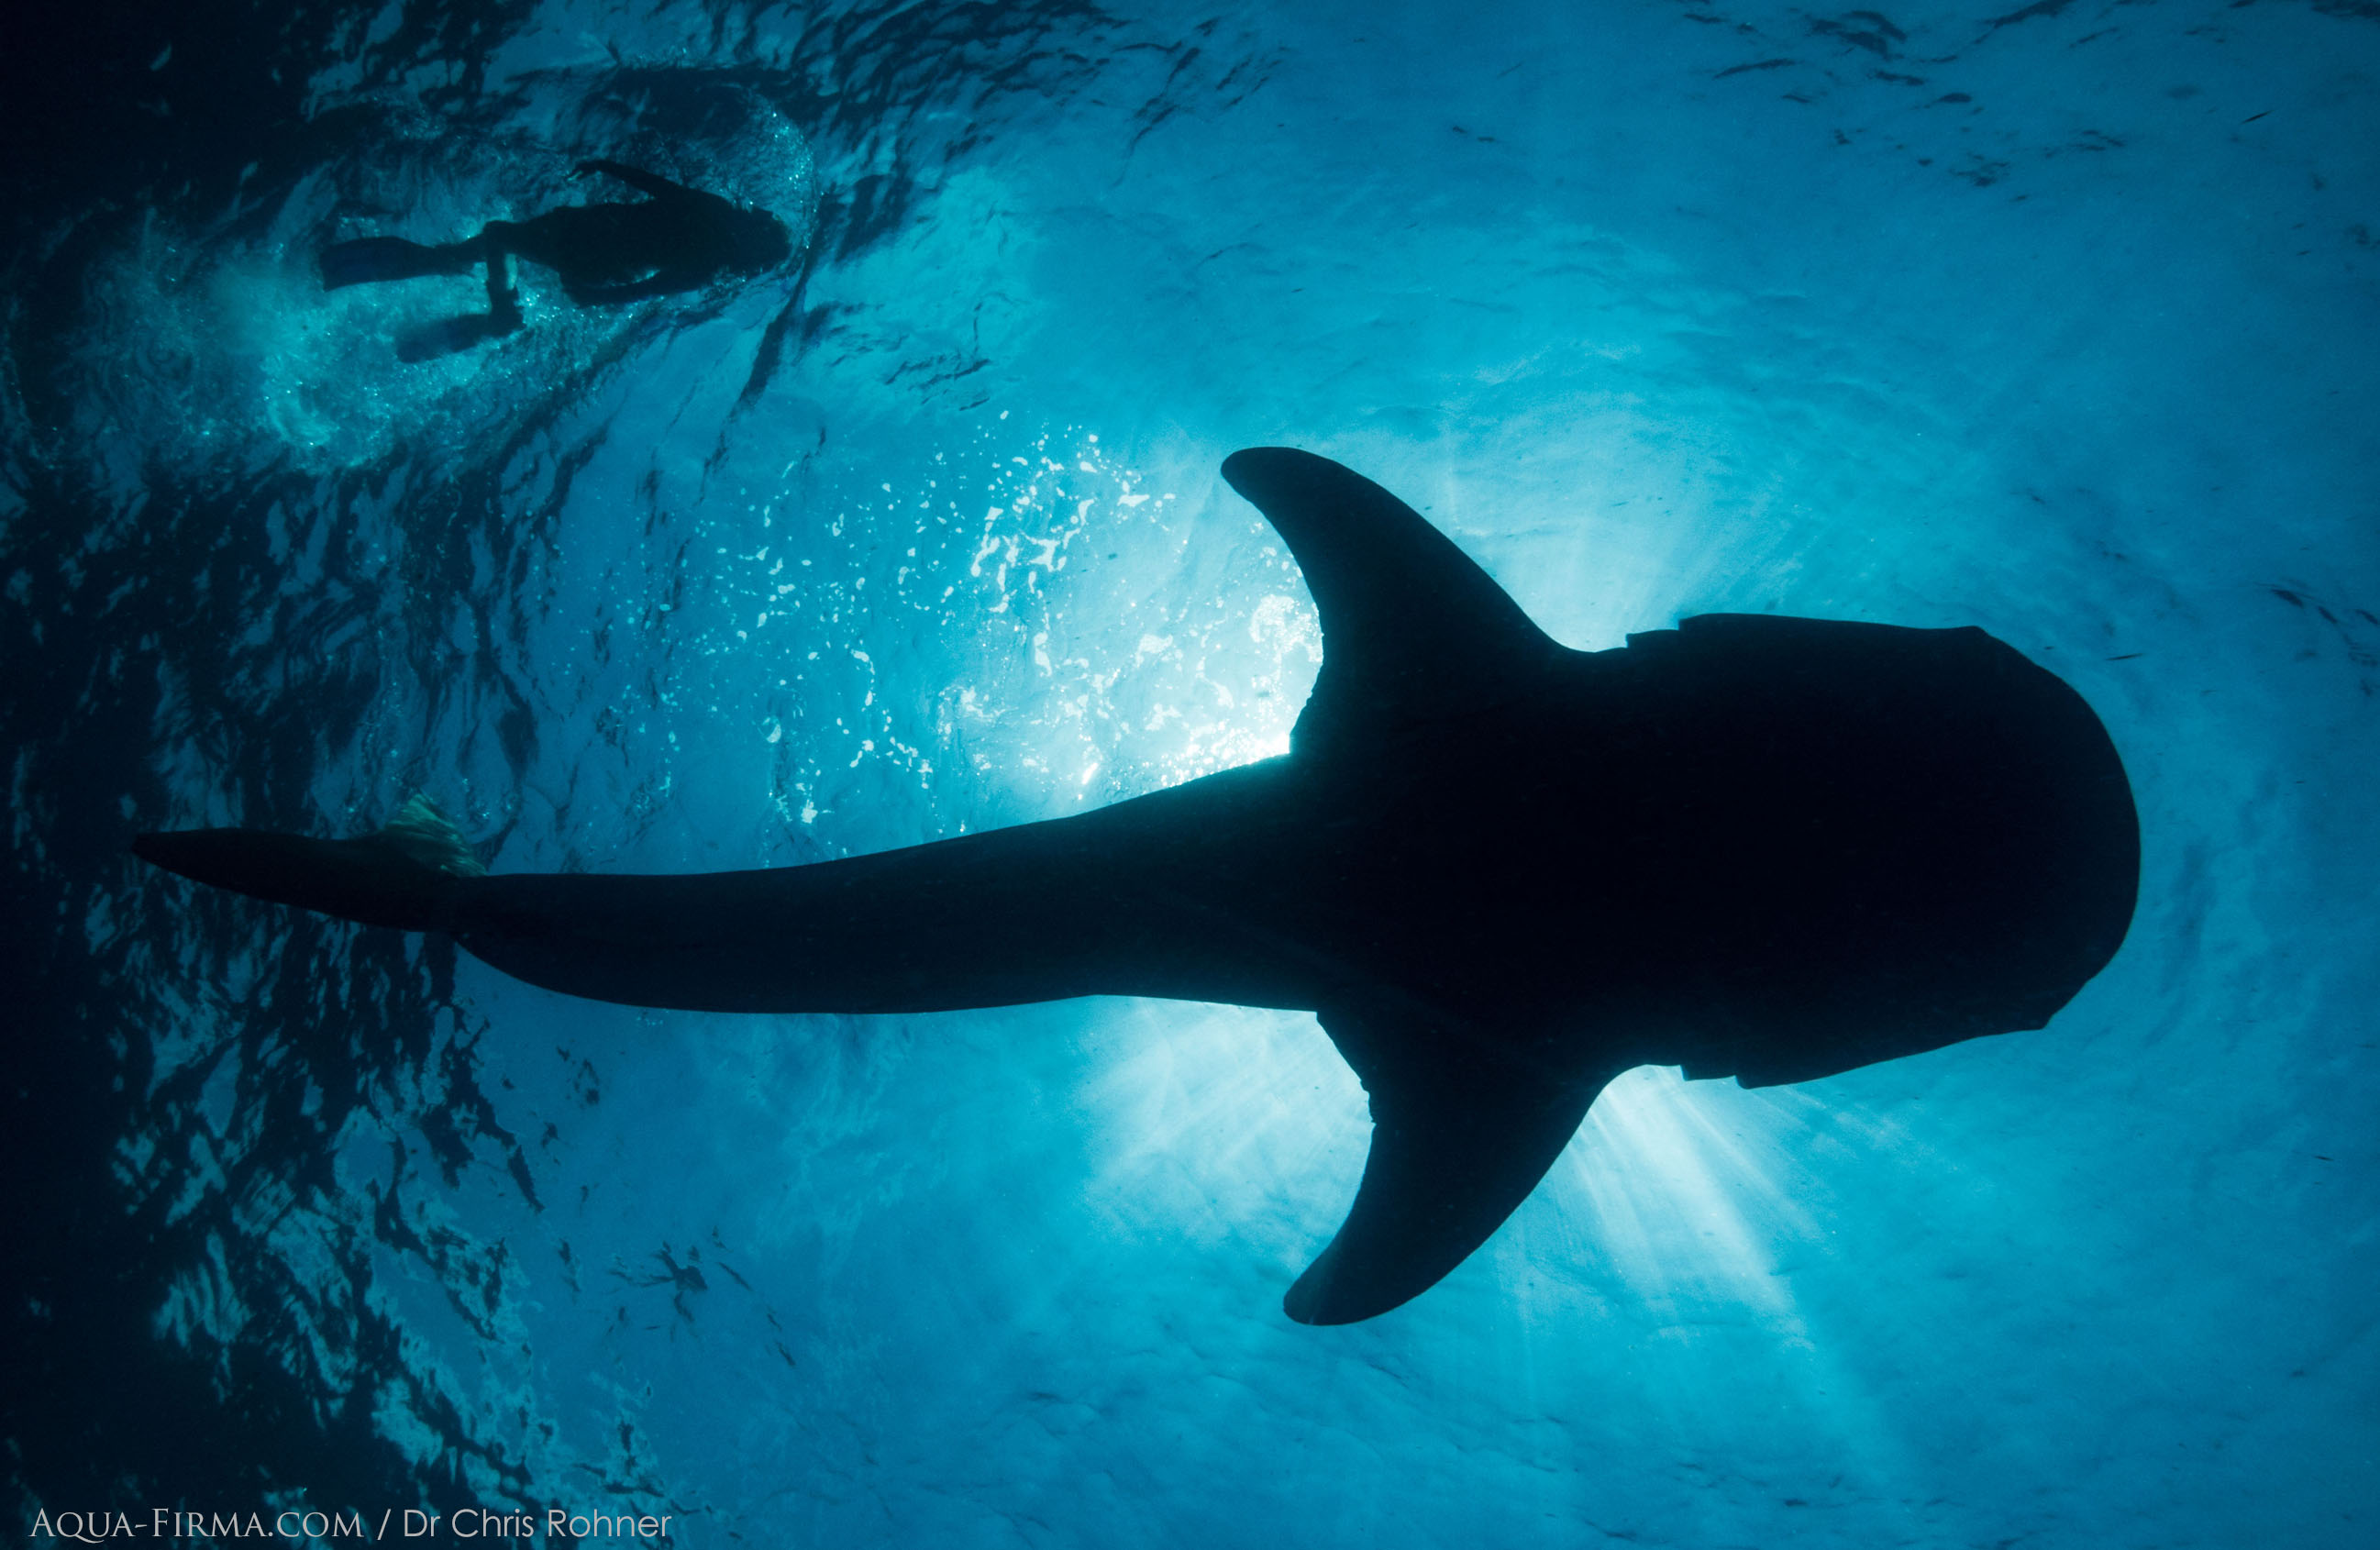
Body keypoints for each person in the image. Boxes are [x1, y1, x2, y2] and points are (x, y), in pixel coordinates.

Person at [319, 159, 791, 358]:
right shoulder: (713, 213)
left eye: (759, 226)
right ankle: (457, 270)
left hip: (593, 254)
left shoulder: (709, 261)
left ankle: (499, 315)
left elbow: (650, 288)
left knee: (499, 236)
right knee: (495, 241)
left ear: (753, 239)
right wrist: (608, 167)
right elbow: (661, 187)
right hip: (585, 230)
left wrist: (595, 294)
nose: (753, 218)